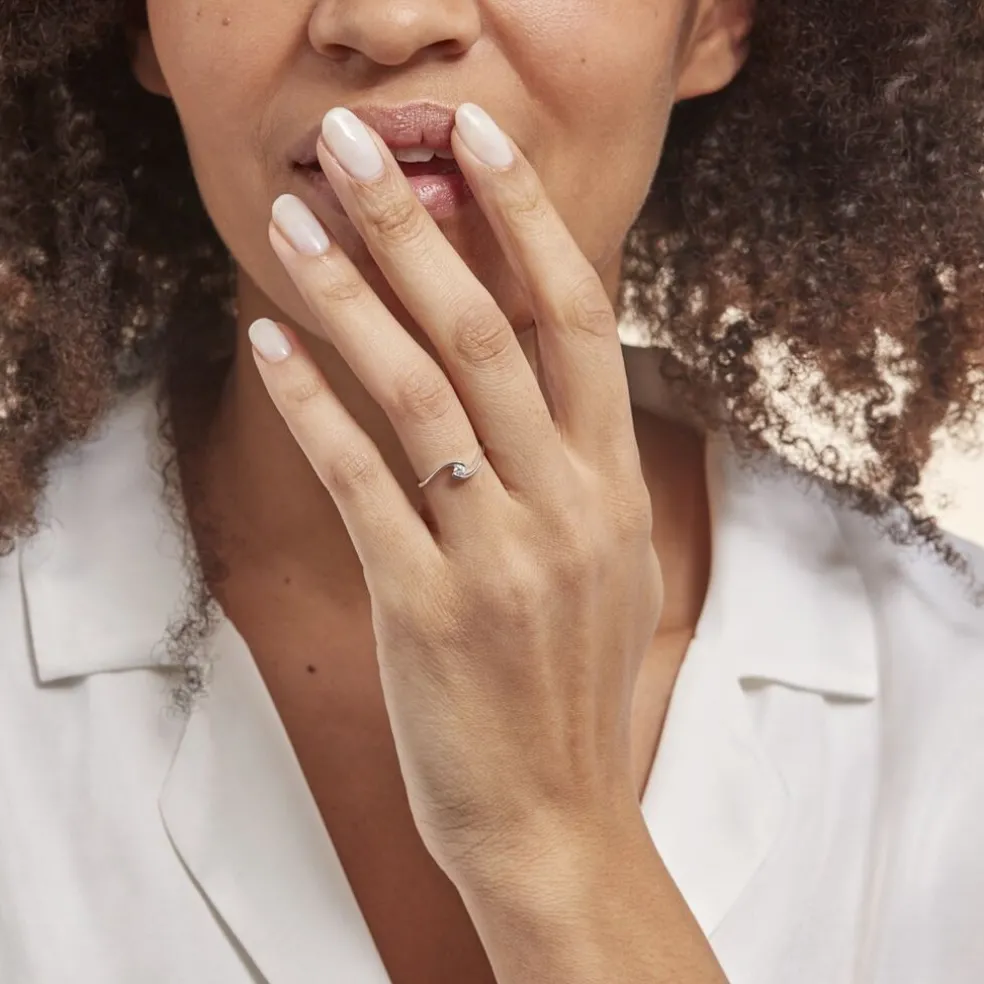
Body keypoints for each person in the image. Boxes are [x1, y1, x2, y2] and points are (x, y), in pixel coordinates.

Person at [1, 1, 983, 982]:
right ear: (136, 24)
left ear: (716, 21)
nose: (389, 22)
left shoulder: (955, 704)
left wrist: (557, 844)